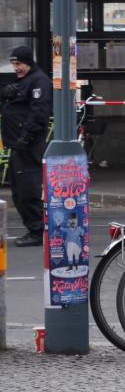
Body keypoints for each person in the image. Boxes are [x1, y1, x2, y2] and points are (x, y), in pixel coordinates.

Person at [1, 46, 52, 247]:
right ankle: (34, 228)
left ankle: (38, 231)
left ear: (28, 62)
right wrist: (5, 94)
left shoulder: (39, 81)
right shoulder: (24, 81)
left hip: (28, 146)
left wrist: (25, 137)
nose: (16, 67)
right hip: (18, 145)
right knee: (18, 190)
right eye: (13, 63)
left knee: (27, 190)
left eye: (19, 63)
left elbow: (38, 114)